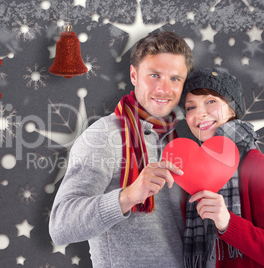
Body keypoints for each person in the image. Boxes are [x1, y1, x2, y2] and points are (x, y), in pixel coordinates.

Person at [49, 31, 194, 267]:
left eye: (175, 78)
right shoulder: (104, 136)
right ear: (134, 75)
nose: (163, 89)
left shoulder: (181, 139)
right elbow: (61, 226)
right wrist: (128, 196)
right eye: (154, 75)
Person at [181, 67, 264, 267]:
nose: (200, 113)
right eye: (191, 107)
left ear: (232, 109)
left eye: (211, 101)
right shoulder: (189, 170)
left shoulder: (255, 166)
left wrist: (227, 221)